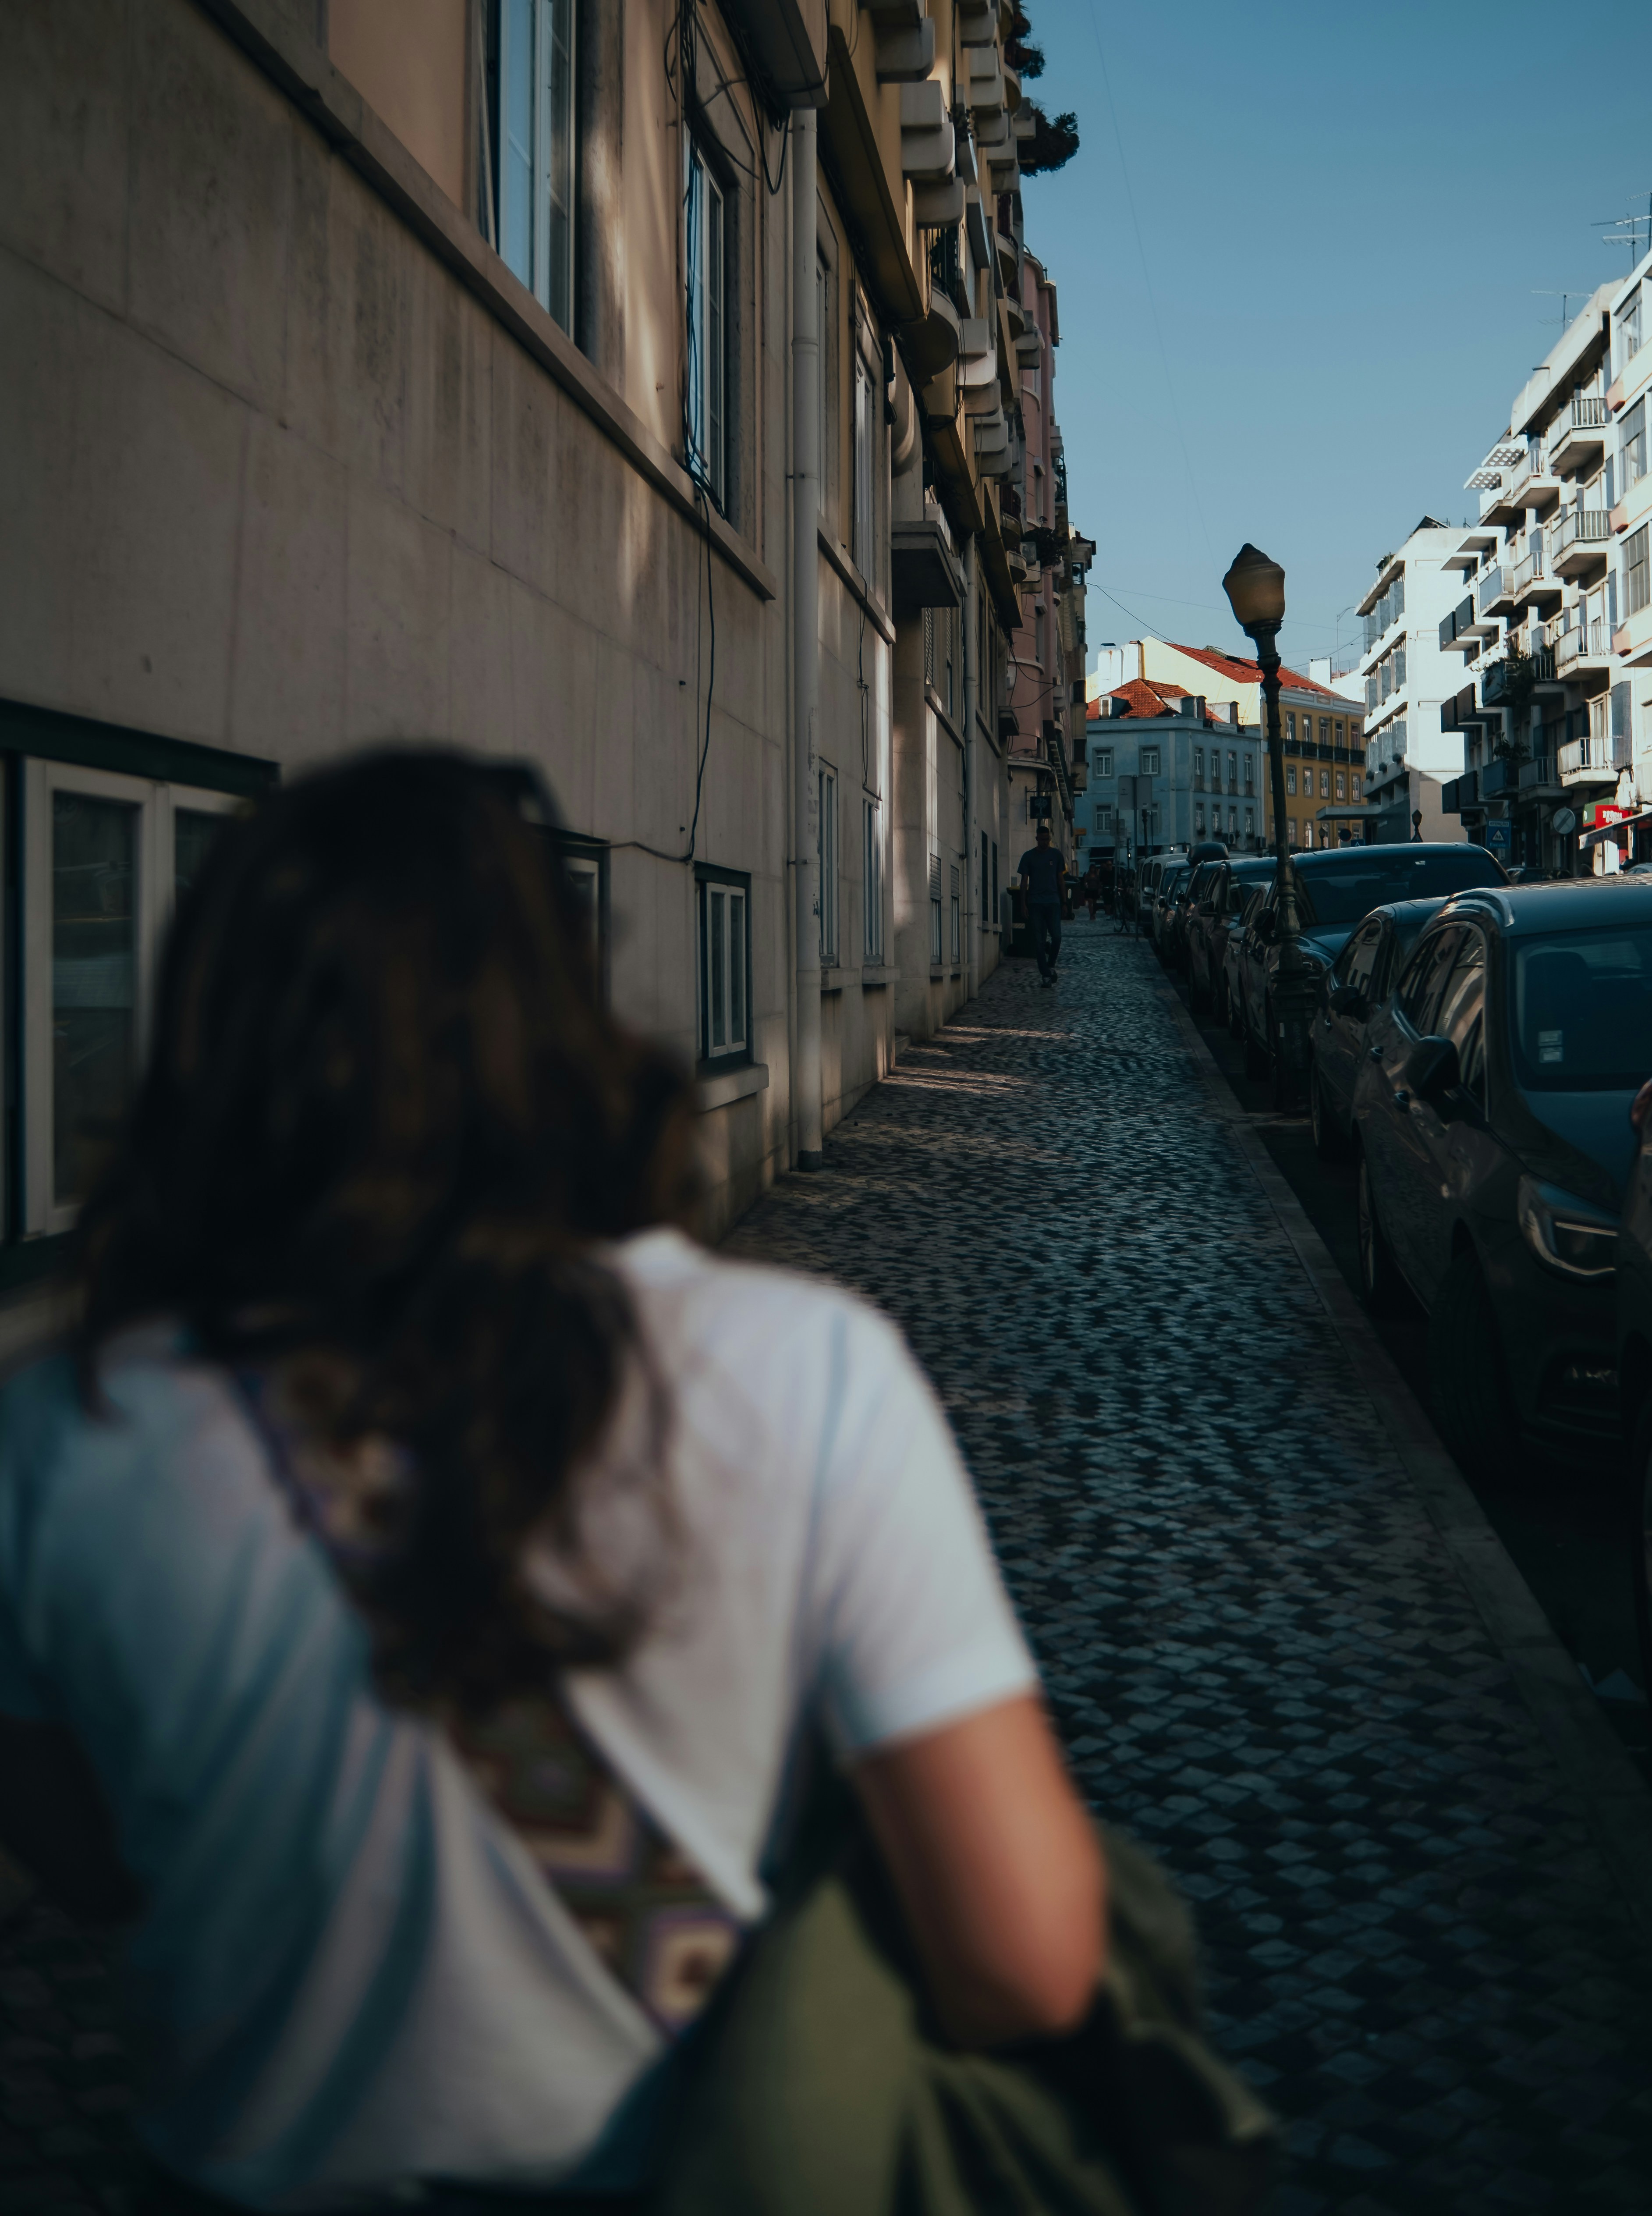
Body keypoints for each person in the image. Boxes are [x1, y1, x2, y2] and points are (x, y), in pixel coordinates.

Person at [0, 752, 1104, 2212]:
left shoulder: (63, 1433)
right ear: (566, 1025)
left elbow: (90, 1866)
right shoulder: (803, 1373)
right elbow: (1023, 1961)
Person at [1017, 822, 1068, 985]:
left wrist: (1065, 901)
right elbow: (1024, 882)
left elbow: (1061, 880)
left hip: (1053, 902)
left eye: (1047, 839)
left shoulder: (1057, 855)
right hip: (1035, 903)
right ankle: (1046, 974)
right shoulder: (1028, 857)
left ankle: (1051, 966)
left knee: (1057, 937)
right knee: (1039, 941)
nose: (1045, 843)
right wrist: (1023, 904)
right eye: (1042, 840)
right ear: (1037, 839)